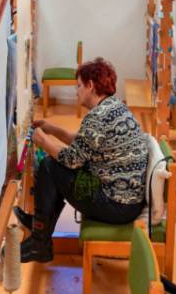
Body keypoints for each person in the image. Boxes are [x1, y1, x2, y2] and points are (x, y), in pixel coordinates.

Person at [14, 58, 148, 263]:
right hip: (128, 201)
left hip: (116, 205)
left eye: (78, 86)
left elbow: (72, 159)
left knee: (50, 166)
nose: (76, 92)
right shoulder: (115, 107)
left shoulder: (97, 117)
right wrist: (53, 130)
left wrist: (43, 141)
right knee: (55, 167)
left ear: (90, 85)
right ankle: (40, 229)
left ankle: (40, 240)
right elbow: (85, 143)